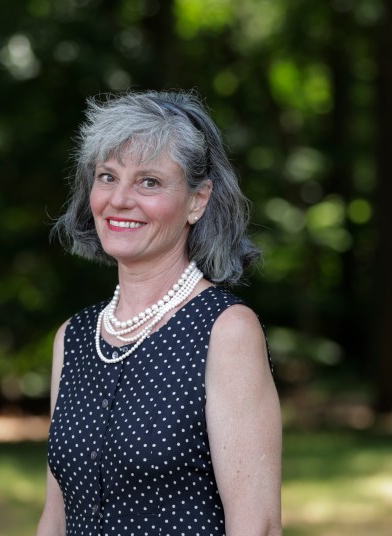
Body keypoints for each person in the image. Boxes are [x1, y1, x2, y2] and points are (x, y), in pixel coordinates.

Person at [37, 90, 282, 536]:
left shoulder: (225, 331)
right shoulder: (73, 337)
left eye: (149, 182)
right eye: (107, 177)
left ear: (197, 200)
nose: (120, 199)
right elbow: (55, 517)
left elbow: (257, 526)